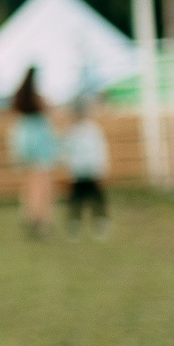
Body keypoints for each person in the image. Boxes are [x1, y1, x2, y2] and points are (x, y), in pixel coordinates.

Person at [8, 66, 57, 238]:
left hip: (24, 141)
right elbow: (50, 111)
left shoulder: (21, 97)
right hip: (40, 141)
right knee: (43, 183)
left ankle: (30, 215)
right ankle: (42, 218)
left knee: (30, 184)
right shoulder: (38, 98)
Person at [62, 92, 110, 237]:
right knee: (77, 200)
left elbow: (100, 150)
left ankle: (101, 222)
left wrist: (102, 167)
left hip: (92, 171)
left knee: (97, 198)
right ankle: (75, 224)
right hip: (78, 172)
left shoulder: (93, 130)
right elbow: (66, 151)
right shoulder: (71, 132)